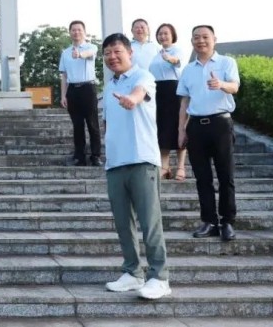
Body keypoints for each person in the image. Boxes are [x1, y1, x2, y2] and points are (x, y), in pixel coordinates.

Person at [101, 33, 171, 300]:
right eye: (107, 53)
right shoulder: (109, 87)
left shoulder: (143, 76)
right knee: (123, 223)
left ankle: (159, 277)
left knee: (149, 222)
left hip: (142, 160)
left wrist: (132, 98)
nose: (112, 57)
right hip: (115, 163)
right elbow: (108, 123)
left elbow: (140, 93)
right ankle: (132, 272)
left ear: (130, 52)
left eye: (117, 51)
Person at [178, 25, 240, 242]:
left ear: (214, 39)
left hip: (221, 124)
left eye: (205, 37)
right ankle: (209, 221)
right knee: (202, 177)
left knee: (225, 175)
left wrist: (221, 84)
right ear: (191, 41)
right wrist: (181, 130)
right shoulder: (188, 70)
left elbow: (235, 87)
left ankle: (227, 222)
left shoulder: (226, 62)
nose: (201, 41)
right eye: (196, 37)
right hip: (196, 126)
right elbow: (184, 102)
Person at [148, 23, 189, 181]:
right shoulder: (156, 54)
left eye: (166, 33)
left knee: (178, 127)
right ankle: (164, 167)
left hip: (174, 90)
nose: (163, 36)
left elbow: (177, 62)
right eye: (160, 33)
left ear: (172, 35)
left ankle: (181, 166)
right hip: (158, 92)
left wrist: (169, 59)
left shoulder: (177, 51)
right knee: (162, 128)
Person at [58, 20, 101, 167]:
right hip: (72, 90)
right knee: (77, 125)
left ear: (84, 32)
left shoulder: (91, 47)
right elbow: (64, 76)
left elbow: (90, 54)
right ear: (70, 32)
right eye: (73, 30)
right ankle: (79, 156)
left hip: (88, 88)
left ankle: (95, 156)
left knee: (92, 124)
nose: (76, 32)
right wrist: (63, 95)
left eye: (79, 30)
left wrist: (80, 54)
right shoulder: (65, 53)